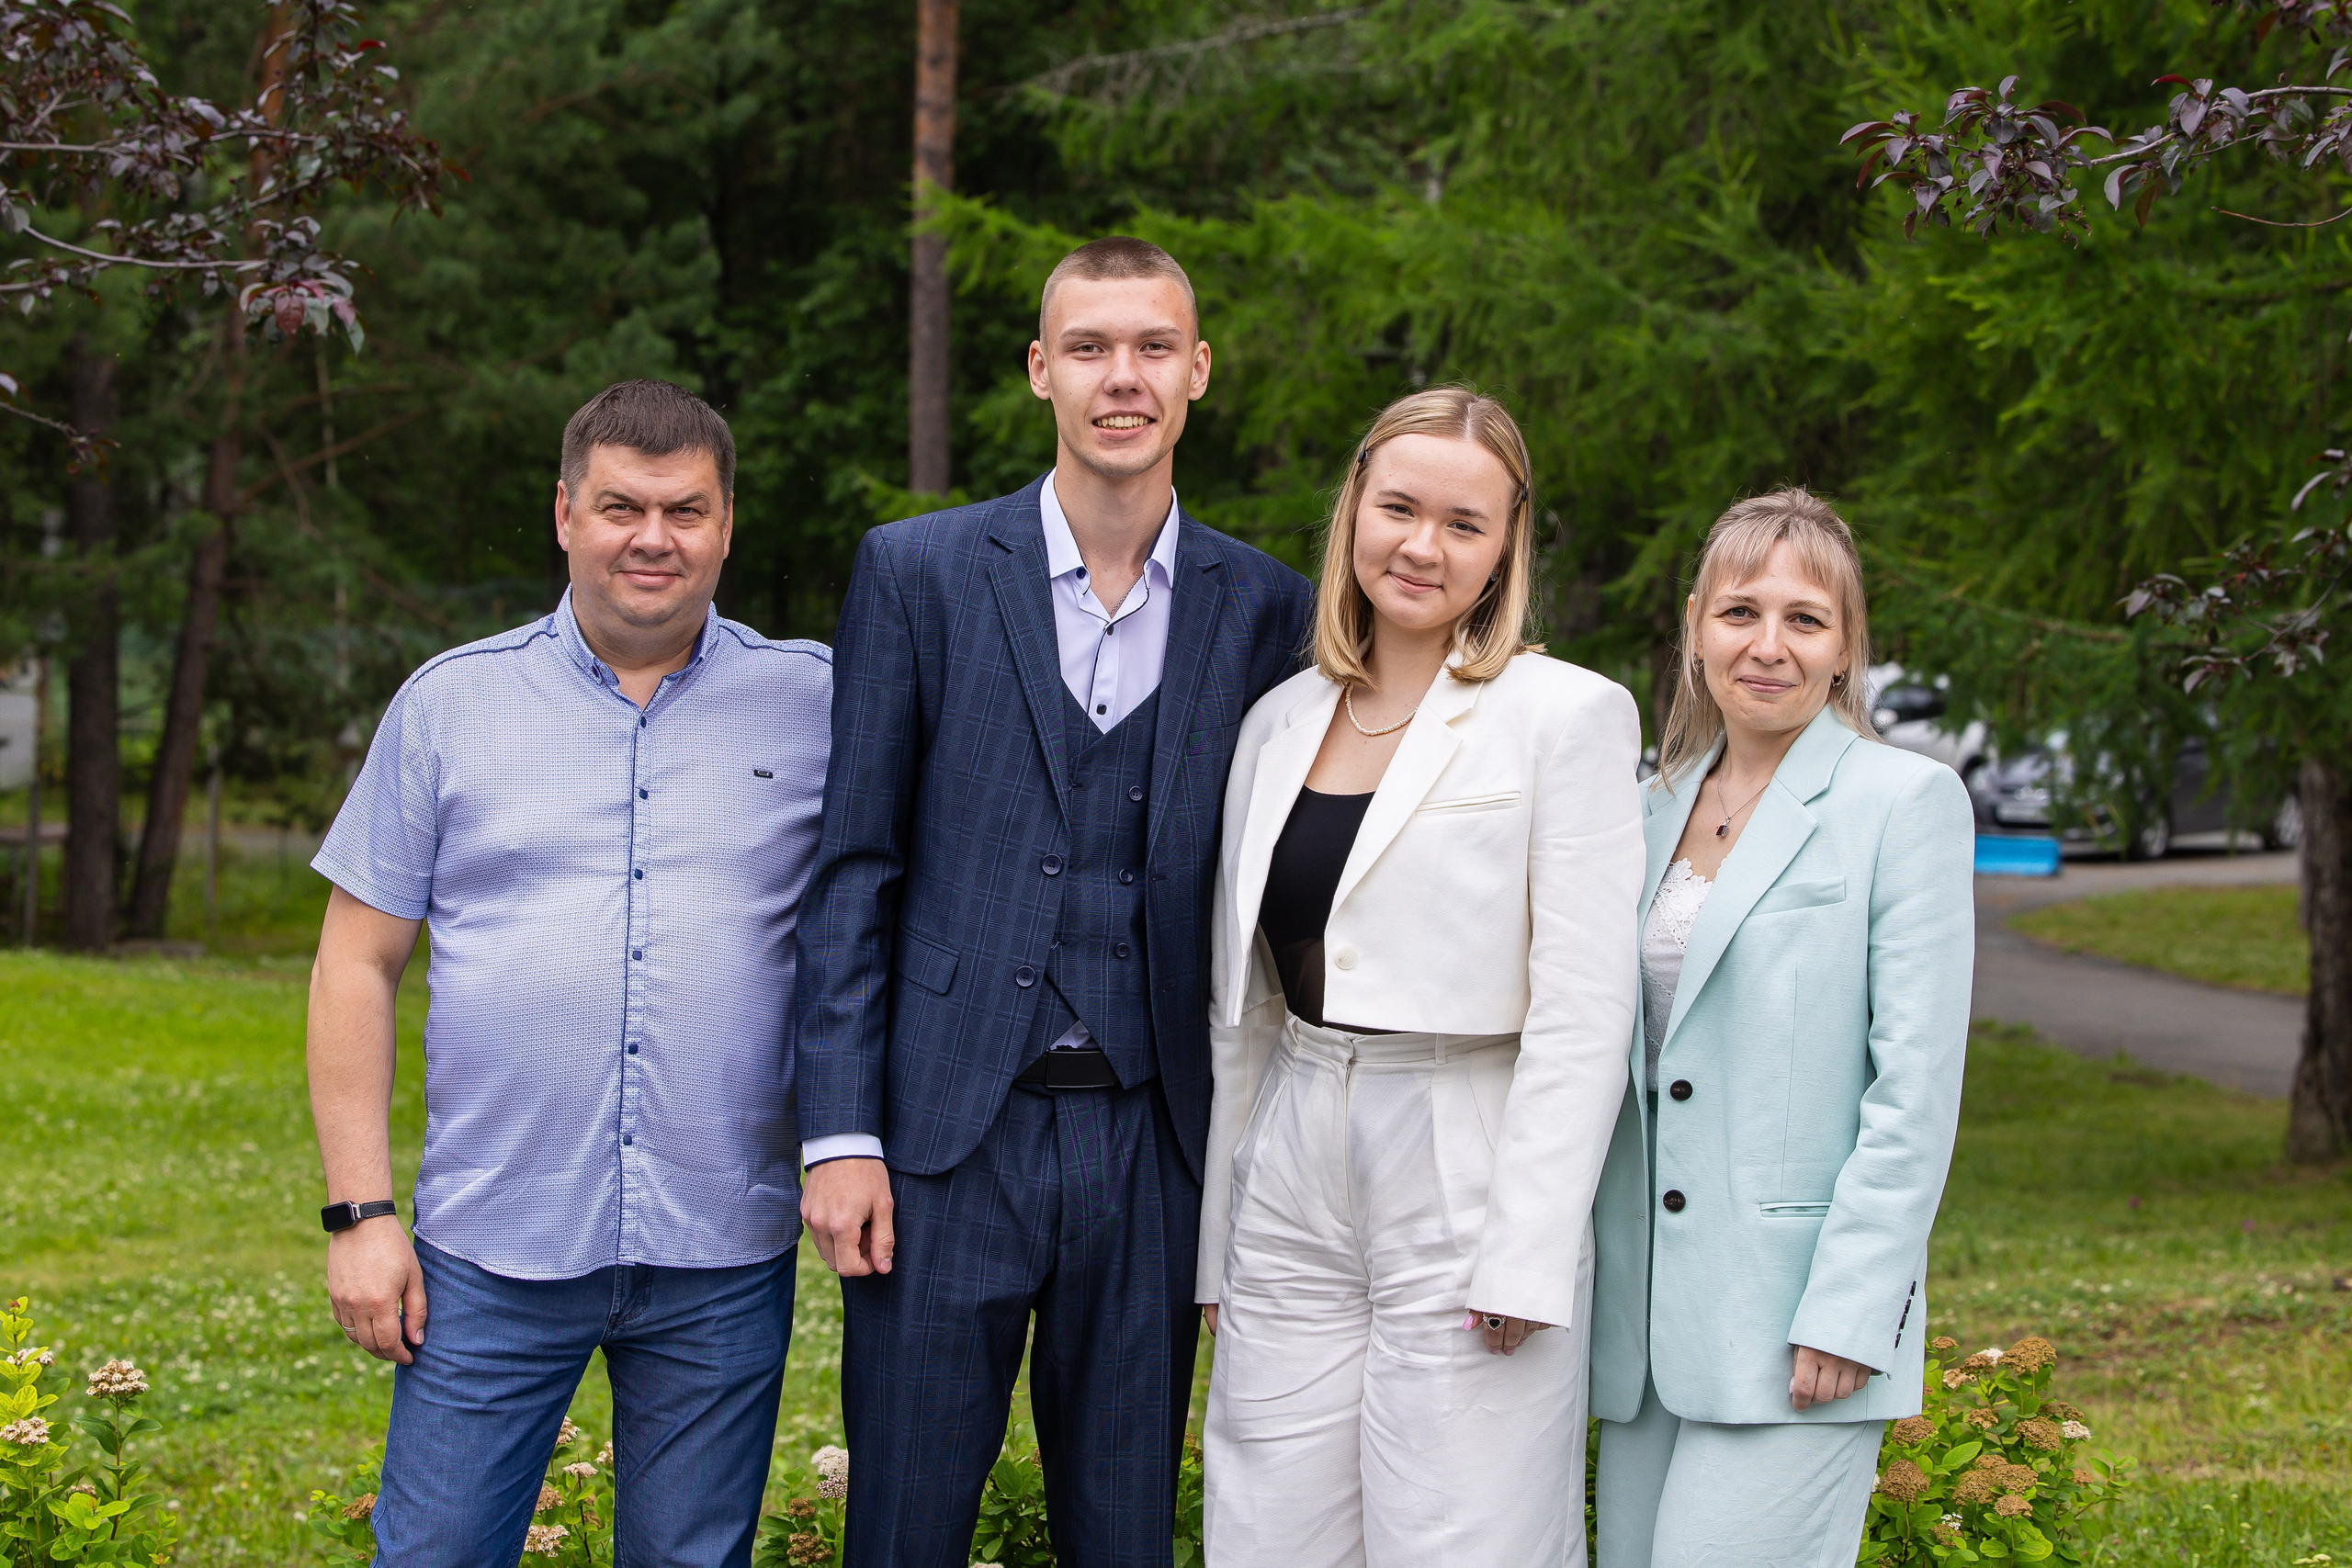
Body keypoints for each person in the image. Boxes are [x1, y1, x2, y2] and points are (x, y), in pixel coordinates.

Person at [792, 236, 1314, 1568]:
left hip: (1152, 1138)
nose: (1120, 376)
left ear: (1198, 371)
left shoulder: (1267, 606)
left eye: (1152, 347)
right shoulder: (916, 573)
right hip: (945, 1137)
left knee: (1125, 1531)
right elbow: (854, 871)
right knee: (902, 1526)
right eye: (1088, 347)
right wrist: (840, 1132)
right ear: (1040, 370)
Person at [305, 379, 829, 1568]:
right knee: (434, 1555)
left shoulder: (816, 702)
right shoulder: (451, 704)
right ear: (564, 514)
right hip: (491, 1247)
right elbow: (355, 962)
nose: (654, 537)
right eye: (621, 507)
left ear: (727, 524)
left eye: (685, 510)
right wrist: (360, 1214)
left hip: (722, 1244)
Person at [1196, 387, 1645, 1565]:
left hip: (1464, 1154)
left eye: (1463, 523)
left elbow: (1586, 1011)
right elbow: (1242, 1011)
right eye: (1398, 508)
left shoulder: (1566, 715)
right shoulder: (1276, 722)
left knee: (1460, 1531)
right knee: (1266, 1524)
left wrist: (1528, 1248)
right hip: (1290, 1156)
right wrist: (1217, 1238)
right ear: (1354, 509)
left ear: (1505, 547)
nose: (1421, 546)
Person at [1587, 488, 1975, 1568]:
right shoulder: (1644, 806)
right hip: (1643, 1332)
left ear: (1845, 646)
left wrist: (1851, 1308)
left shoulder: (1904, 803)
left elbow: (1913, 1090)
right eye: (1739, 612)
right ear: (1695, 627)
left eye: (1804, 619)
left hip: (1796, 1322)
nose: (1768, 646)